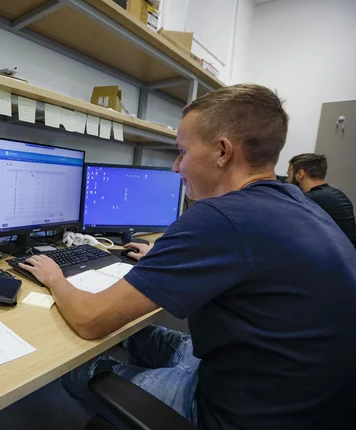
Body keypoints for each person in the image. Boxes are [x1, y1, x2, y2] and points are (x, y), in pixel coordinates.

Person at [19, 84, 356, 430]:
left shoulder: (220, 217)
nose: (176, 167)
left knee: (70, 366)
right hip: (303, 403)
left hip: (237, 414)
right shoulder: (300, 205)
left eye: (182, 152)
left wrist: (54, 277)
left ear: (222, 152)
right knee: (135, 335)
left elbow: (91, 319)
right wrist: (165, 256)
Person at [287, 153, 356, 249]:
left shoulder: (308, 199)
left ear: (300, 174)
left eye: (289, 175)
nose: (287, 180)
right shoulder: (337, 194)